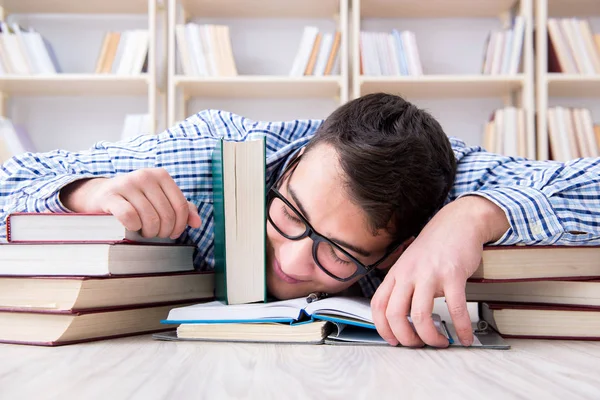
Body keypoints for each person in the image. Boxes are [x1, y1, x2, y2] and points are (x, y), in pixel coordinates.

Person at [1, 93, 599, 348]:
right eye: (290, 212)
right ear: (292, 167)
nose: (289, 260)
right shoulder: (207, 157)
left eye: (338, 253)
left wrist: (474, 215)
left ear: (394, 249)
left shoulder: (453, 181)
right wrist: (82, 195)